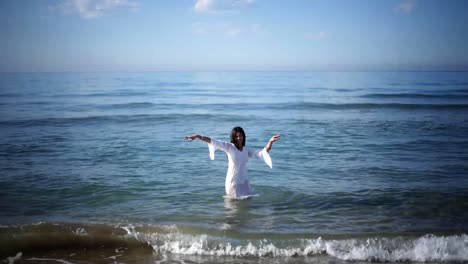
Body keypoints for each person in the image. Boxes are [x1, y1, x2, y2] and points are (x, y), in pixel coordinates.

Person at [184, 127, 281, 199]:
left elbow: (263, 153)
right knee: (232, 211)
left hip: (244, 182)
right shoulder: (229, 147)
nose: (239, 138)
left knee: (248, 207)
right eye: (236, 136)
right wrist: (198, 136)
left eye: (240, 136)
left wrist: (270, 141)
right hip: (233, 183)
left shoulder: (246, 150)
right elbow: (213, 141)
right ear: (233, 138)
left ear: (243, 136)